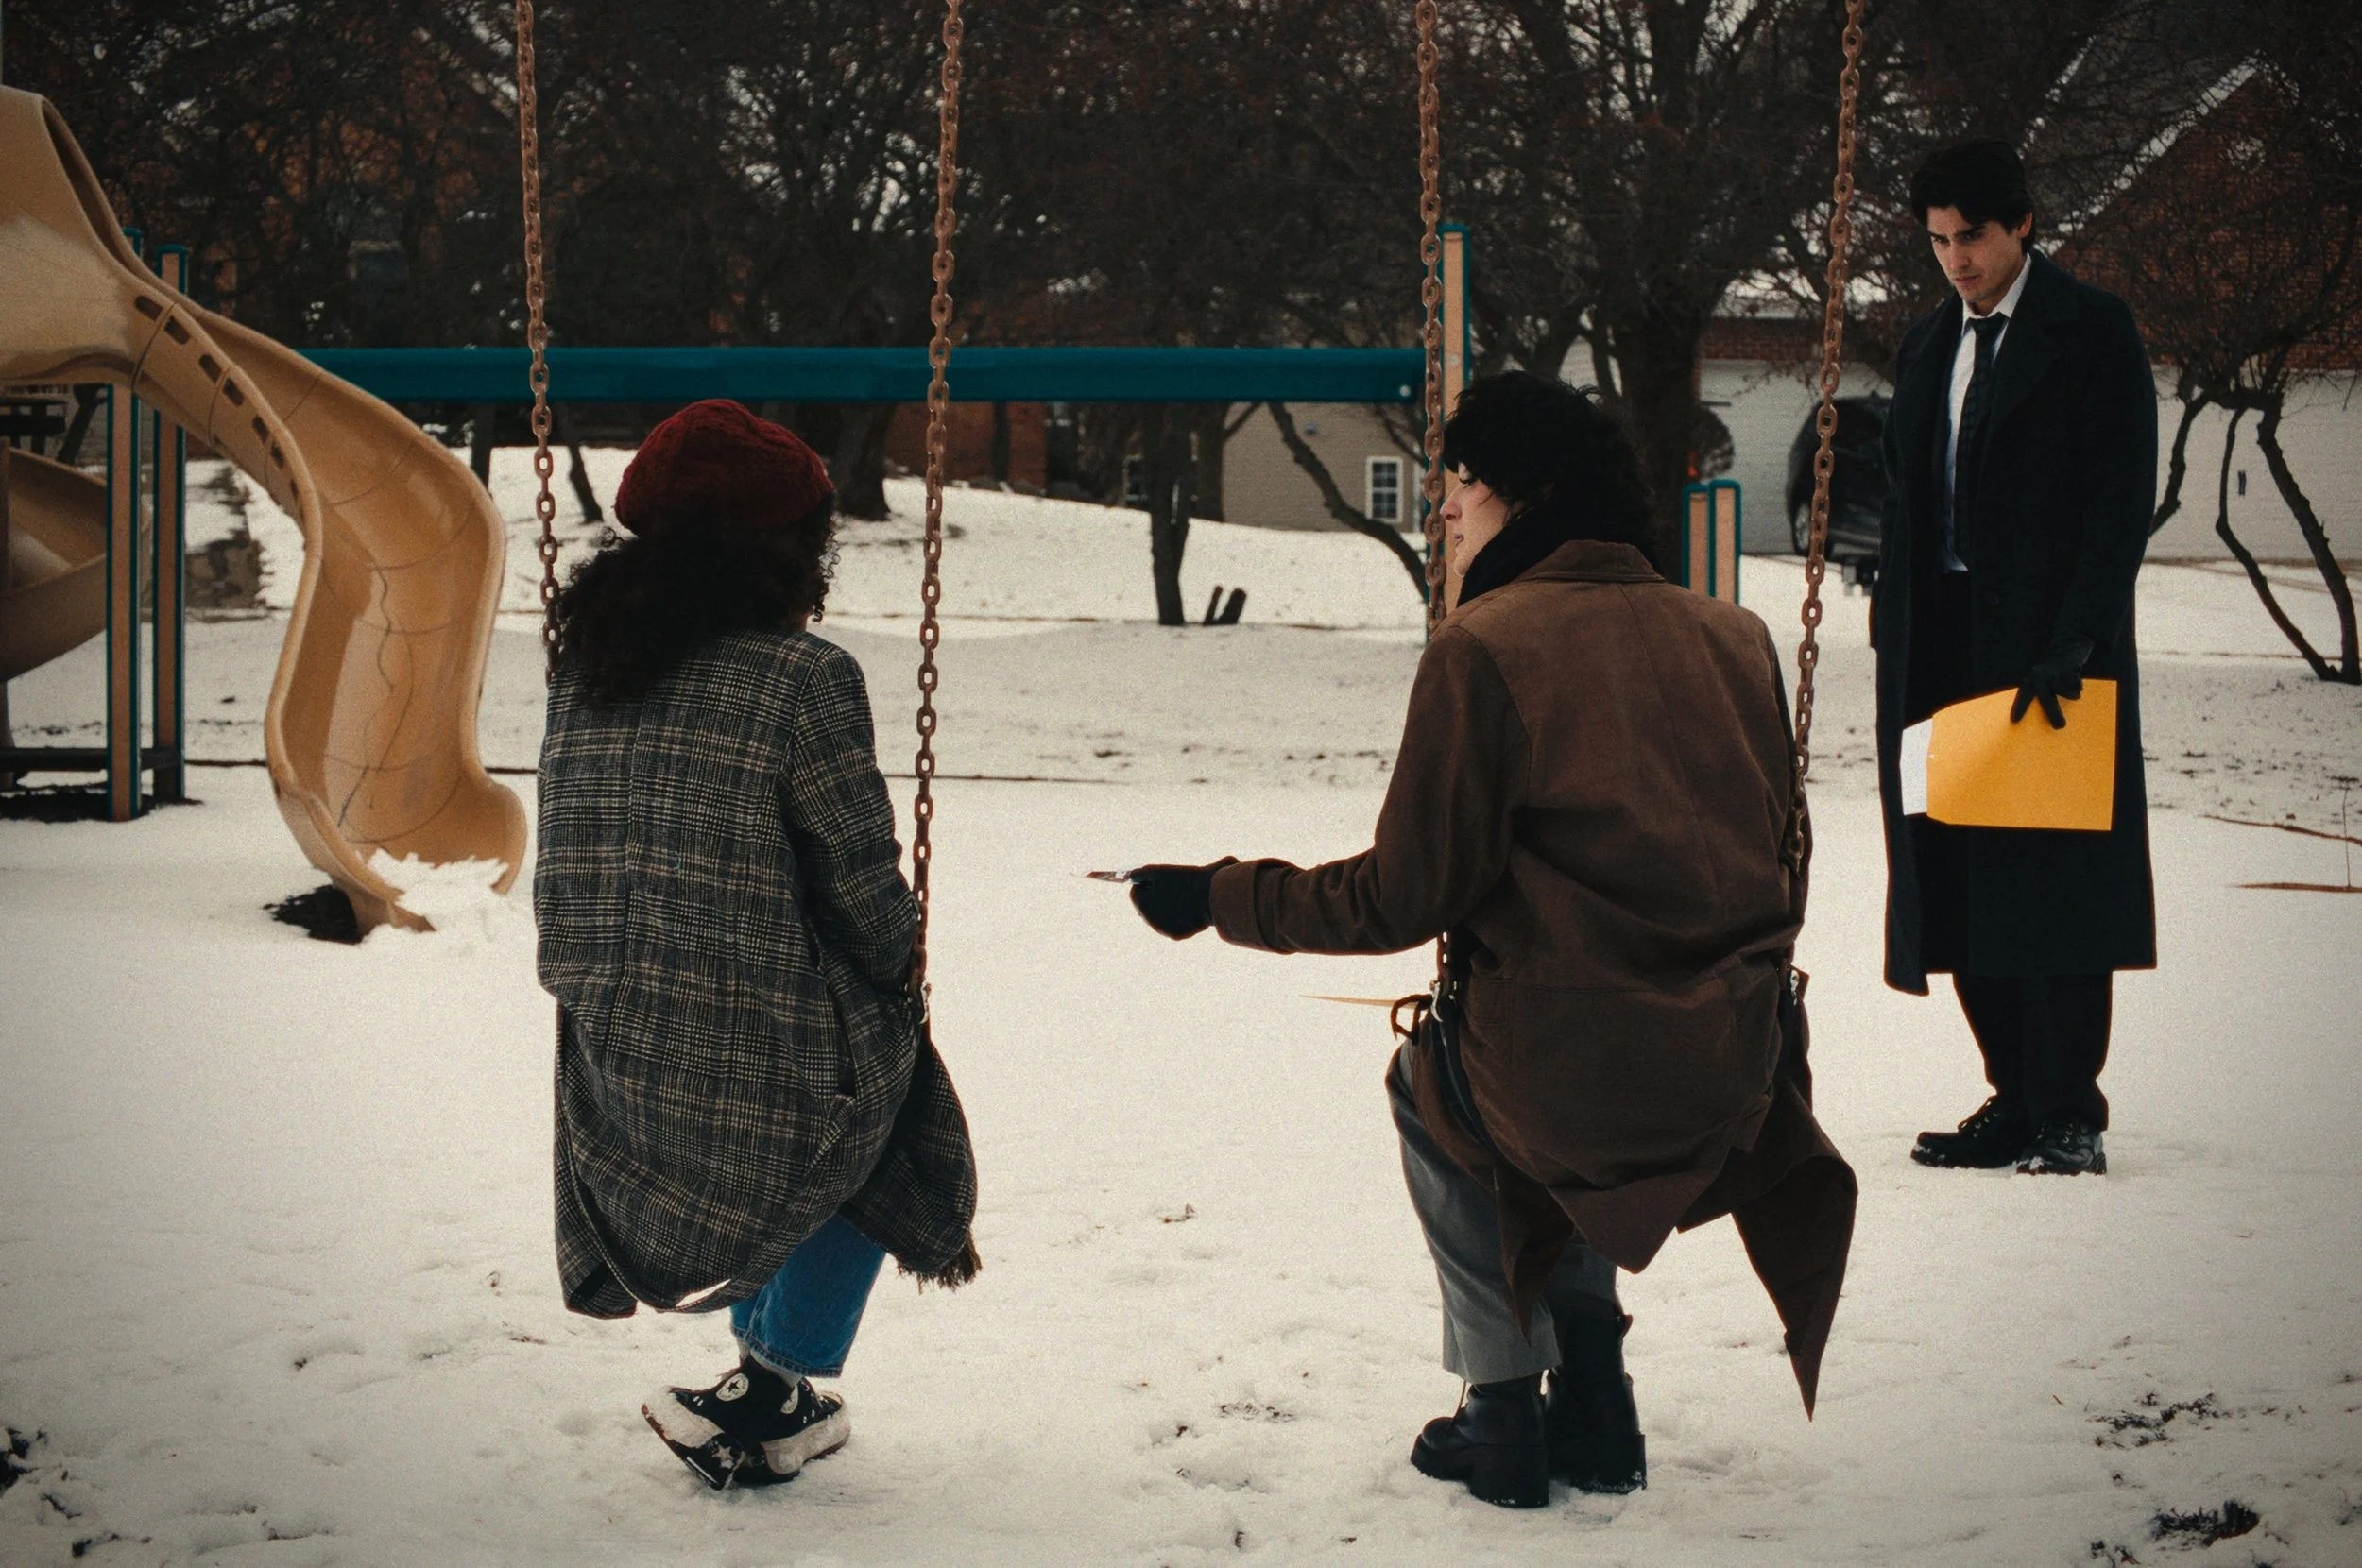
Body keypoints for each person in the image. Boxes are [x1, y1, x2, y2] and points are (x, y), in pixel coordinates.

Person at [1125, 375, 1857, 1510]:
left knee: (1446, 1091)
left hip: (1575, 1076)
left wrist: (1220, 896)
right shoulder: (1734, 633)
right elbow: (1784, 855)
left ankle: (1501, 1406)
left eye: (1461, 480)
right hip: (1730, 1068)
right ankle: (1599, 1394)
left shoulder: (1487, 646)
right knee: (1554, 1073)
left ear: (1525, 495)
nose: (1444, 507)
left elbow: (1398, 898)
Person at [535, 399, 979, 1491]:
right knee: (887, 1119)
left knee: (814, 1103)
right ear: (785, 547)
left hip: (616, 1041)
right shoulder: (801, 678)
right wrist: (897, 974)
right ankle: (776, 1388)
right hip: (752, 1047)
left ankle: (762, 1381)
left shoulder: (586, 667)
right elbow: (859, 883)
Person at [1875, 139, 2158, 1179]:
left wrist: (2077, 636)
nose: (1956, 259)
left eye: (1973, 237)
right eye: (1939, 240)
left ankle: (2068, 1108)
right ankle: (2011, 1094)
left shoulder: (2089, 333)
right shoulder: (1923, 346)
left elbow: (2119, 498)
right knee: (1955, 874)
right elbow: (1911, 493)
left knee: (2053, 878)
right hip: (1938, 640)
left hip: (2048, 654)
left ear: (2023, 225)